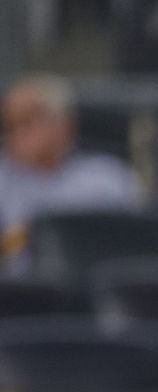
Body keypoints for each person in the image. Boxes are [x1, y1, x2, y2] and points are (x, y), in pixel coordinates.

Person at [0, 74, 143, 276]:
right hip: (22, 296)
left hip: (94, 292)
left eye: (28, 121)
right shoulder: (3, 180)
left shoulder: (109, 178)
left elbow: (133, 248)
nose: (17, 135)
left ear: (64, 124)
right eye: (10, 126)